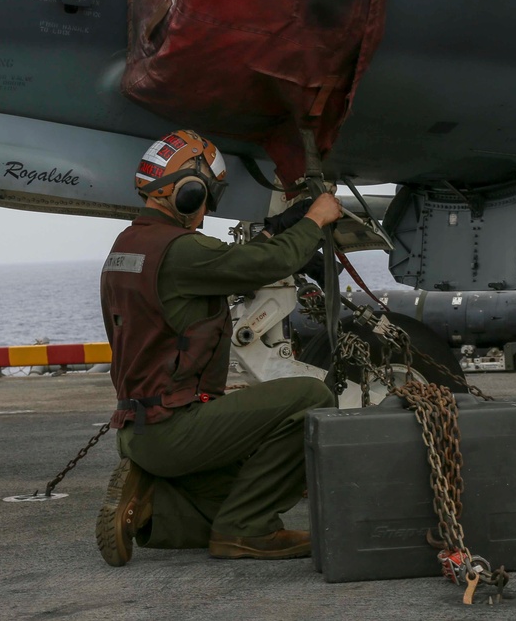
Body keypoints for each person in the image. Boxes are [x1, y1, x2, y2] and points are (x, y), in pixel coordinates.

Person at [96, 129, 342, 567]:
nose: (207, 208)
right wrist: (315, 220)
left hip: (139, 428)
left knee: (230, 497)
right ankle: (247, 532)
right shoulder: (181, 250)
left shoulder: (128, 247)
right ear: (189, 191)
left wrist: (276, 231)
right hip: (175, 429)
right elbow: (263, 267)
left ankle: (149, 503)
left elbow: (228, 266)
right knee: (312, 397)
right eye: (207, 195)